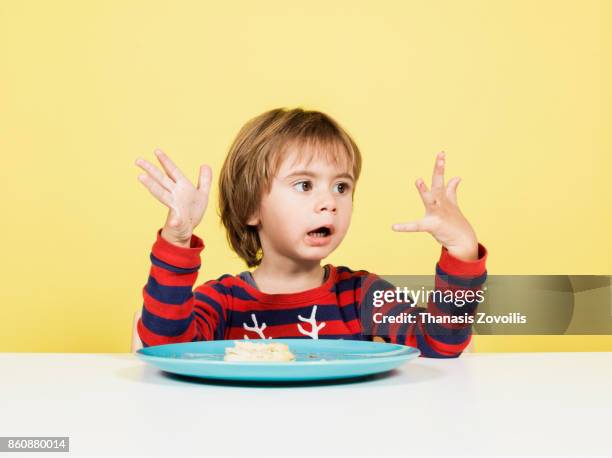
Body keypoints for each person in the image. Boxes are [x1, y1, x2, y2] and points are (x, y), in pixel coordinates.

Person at [134, 107, 488, 357]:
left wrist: (461, 251)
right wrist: (178, 240)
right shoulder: (223, 302)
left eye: (341, 187)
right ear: (250, 208)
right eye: (304, 185)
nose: (328, 202)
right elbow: (167, 347)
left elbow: (441, 343)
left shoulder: (362, 296)